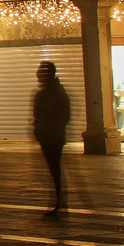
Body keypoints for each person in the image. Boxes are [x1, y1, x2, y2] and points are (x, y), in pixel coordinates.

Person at [32, 60, 72, 218]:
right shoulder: (48, 92)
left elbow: (63, 116)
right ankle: (58, 201)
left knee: (55, 170)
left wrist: (46, 127)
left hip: (52, 136)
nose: (38, 75)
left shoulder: (54, 93)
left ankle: (59, 202)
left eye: (41, 72)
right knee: (54, 170)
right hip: (48, 134)